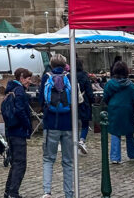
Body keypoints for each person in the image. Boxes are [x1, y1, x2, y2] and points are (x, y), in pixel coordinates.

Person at [39, 53, 74, 198]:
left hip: (51, 123)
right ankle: (69, 193)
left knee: (48, 159)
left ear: (51, 65)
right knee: (68, 162)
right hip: (68, 124)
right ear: (64, 64)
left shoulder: (46, 77)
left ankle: (47, 191)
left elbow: (41, 99)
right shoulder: (70, 77)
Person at [103, 60, 134, 164]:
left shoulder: (109, 84)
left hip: (114, 110)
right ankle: (132, 154)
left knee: (115, 132)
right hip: (127, 110)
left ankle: (115, 157)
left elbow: (105, 97)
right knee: (129, 133)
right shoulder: (130, 85)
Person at [3, 67, 33, 198]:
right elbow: (20, 111)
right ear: (21, 78)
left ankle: (8, 191)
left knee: (15, 162)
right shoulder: (20, 91)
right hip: (18, 131)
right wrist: (28, 126)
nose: (29, 81)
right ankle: (13, 192)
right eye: (28, 78)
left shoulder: (11, 90)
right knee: (20, 163)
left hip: (11, 130)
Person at [75, 58, 95, 155]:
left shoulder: (69, 75)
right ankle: (82, 140)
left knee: (73, 123)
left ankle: (74, 141)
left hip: (72, 102)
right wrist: (92, 100)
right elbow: (89, 90)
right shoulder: (84, 75)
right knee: (85, 123)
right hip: (84, 101)